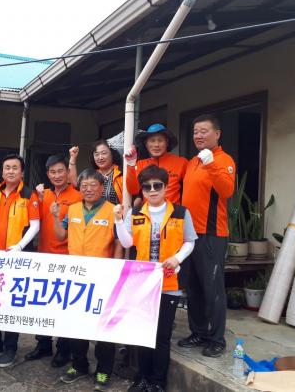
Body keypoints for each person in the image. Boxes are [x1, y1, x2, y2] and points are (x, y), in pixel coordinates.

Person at [114, 165, 197, 392]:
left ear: (166, 187)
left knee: (162, 335)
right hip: (143, 283)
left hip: (169, 283)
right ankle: (142, 378)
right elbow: (127, 243)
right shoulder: (135, 213)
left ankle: (158, 382)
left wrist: (177, 258)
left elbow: (190, 241)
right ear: (142, 189)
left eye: (157, 185)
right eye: (147, 187)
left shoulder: (181, 213)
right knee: (144, 333)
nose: (152, 190)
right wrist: (119, 221)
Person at [55, 169, 123, 392]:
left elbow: (119, 242)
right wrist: (55, 216)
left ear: (102, 187)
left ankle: (104, 369)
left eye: (93, 185)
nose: (88, 189)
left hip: (103, 276)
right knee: (77, 324)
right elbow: (60, 235)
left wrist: (115, 268)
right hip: (76, 276)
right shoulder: (73, 209)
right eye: (84, 186)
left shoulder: (113, 210)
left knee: (103, 326)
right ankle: (79, 365)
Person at [0, 154, 40, 368]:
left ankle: (10, 347)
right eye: (7, 168)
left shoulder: (29, 195)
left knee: (12, 303)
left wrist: (19, 246)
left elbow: (35, 225)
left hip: (15, 258)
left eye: (15, 168)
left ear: (22, 172)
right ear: (2, 172)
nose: (10, 171)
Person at [179, 114, 235, 358]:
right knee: (193, 287)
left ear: (217, 134)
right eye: (195, 132)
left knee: (213, 288)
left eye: (204, 131)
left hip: (211, 234)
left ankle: (216, 338)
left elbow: (227, 190)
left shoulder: (223, 160)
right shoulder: (193, 161)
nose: (198, 136)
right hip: (190, 234)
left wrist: (211, 165)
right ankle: (199, 332)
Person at [24, 154, 81, 368]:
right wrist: (38, 198)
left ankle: (63, 349)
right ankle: (43, 344)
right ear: (47, 174)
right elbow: (33, 221)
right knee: (43, 304)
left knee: (64, 306)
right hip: (44, 257)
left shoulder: (77, 196)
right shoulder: (43, 195)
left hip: (67, 258)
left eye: (60, 171)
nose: (57, 176)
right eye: (53, 172)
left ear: (68, 172)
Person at [124, 124, 188, 204]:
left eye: (160, 140)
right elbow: (133, 190)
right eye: (152, 141)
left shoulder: (181, 162)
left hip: (174, 211)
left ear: (167, 143)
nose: (156, 145)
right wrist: (131, 165)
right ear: (146, 144)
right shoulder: (140, 164)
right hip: (148, 211)